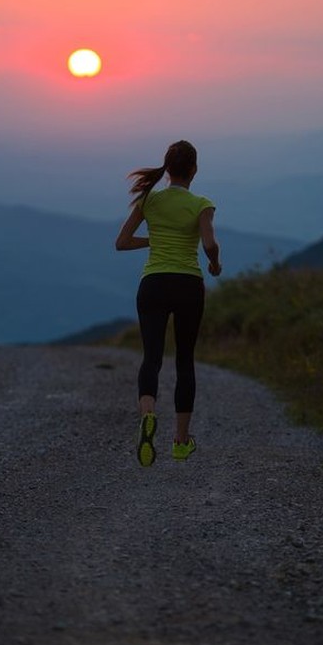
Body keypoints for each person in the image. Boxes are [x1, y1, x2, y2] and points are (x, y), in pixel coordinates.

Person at [115, 139, 222, 466]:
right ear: (194, 169)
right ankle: (179, 441)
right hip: (188, 284)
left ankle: (148, 414)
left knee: (152, 358)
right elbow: (209, 243)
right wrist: (215, 265)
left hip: (154, 284)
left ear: (167, 169)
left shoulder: (149, 200)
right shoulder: (202, 203)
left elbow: (121, 242)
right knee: (185, 360)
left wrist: (156, 239)